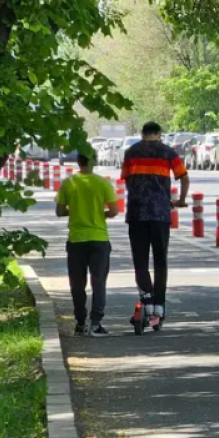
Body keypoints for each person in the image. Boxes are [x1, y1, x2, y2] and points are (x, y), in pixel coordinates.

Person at [121, 121, 189, 322]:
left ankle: (147, 300)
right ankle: (159, 306)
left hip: (136, 214)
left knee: (140, 260)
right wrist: (181, 201)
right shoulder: (168, 152)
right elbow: (184, 178)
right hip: (160, 214)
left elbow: (126, 178)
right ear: (159, 134)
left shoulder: (131, 152)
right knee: (160, 260)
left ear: (142, 134)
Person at [56, 152, 119, 337]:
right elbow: (114, 211)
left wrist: (76, 212)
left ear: (78, 162)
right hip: (99, 238)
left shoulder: (68, 183)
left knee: (77, 283)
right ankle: (96, 322)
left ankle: (81, 321)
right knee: (98, 282)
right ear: (94, 161)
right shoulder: (102, 183)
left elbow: (59, 211)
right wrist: (100, 214)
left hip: (76, 239)